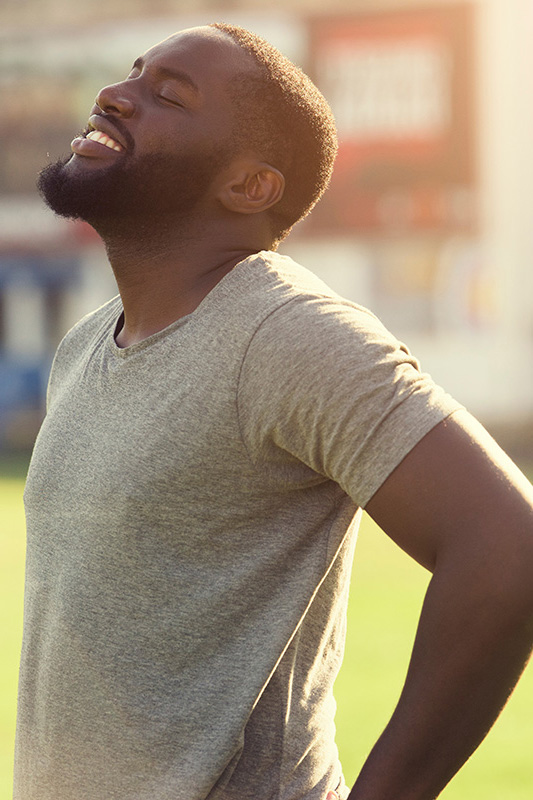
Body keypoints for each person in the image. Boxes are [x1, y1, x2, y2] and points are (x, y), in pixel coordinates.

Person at [14, 22, 533, 800]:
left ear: (249, 187)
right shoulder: (89, 341)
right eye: (132, 73)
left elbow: (508, 550)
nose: (113, 96)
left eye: (166, 96)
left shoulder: (287, 333)